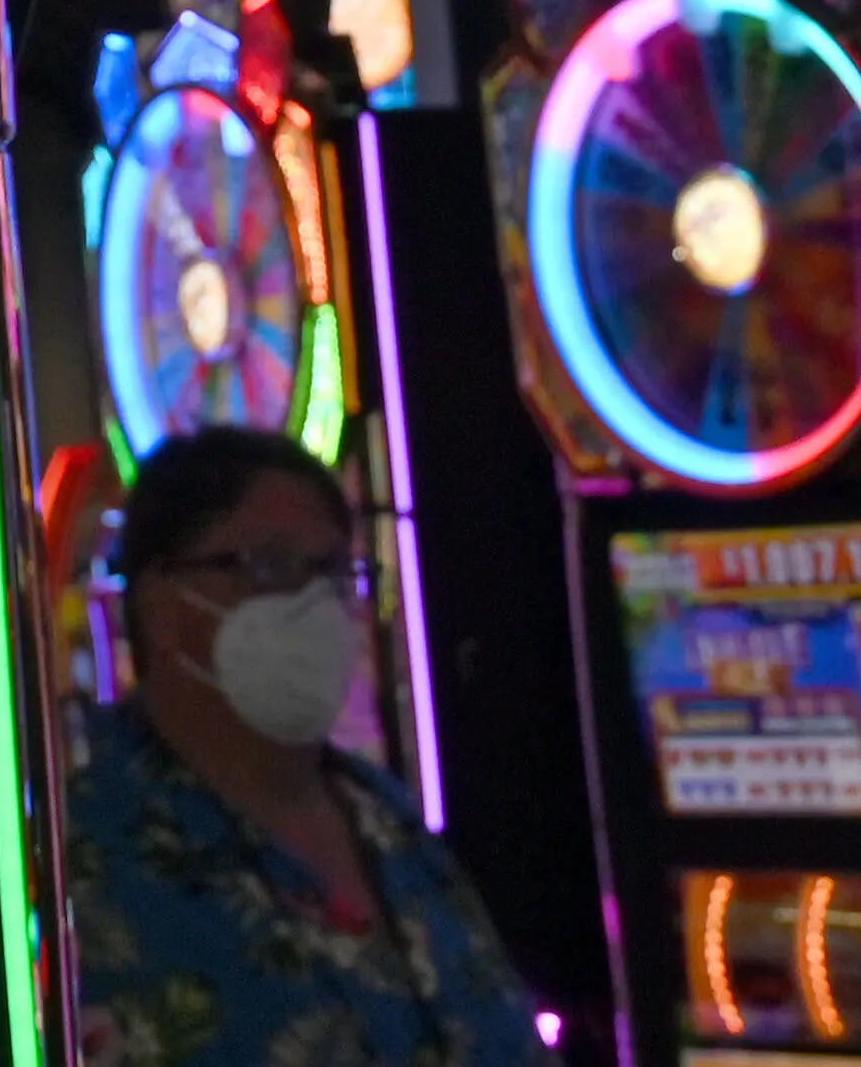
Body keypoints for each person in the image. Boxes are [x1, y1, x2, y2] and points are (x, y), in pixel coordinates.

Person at [73, 425, 554, 1067]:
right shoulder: (83, 839)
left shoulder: (388, 818)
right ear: (163, 603)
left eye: (331, 570)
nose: (312, 602)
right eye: (268, 565)